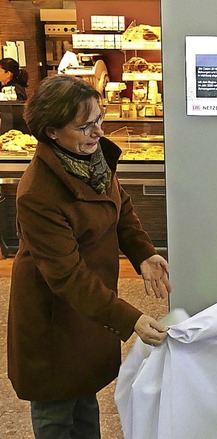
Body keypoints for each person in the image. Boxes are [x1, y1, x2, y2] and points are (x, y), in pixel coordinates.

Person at [7, 75, 171, 439]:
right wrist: (131, 318)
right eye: (85, 126)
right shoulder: (37, 192)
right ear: (51, 132)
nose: (98, 132)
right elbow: (66, 277)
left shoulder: (91, 158)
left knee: (84, 396)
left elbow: (120, 206)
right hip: (54, 312)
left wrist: (143, 252)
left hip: (90, 303)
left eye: (99, 118)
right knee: (55, 406)